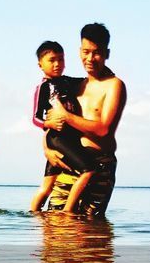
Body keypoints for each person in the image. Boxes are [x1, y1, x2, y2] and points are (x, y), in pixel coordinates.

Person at [43, 23, 126, 217]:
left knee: (88, 232)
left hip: (98, 165)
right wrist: (47, 148)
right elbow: (52, 122)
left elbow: (104, 129)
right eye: (85, 51)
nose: (90, 58)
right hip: (70, 160)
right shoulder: (76, 85)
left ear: (107, 53)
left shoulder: (114, 86)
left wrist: (66, 115)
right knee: (54, 226)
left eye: (96, 53)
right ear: (80, 51)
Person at [29, 41, 100, 213]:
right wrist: (49, 123)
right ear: (40, 64)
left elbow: (88, 81)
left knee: (48, 184)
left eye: (61, 59)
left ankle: (34, 214)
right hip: (57, 138)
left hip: (69, 139)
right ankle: (67, 211)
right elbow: (35, 118)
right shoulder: (43, 87)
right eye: (52, 60)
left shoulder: (68, 81)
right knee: (89, 169)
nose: (57, 64)